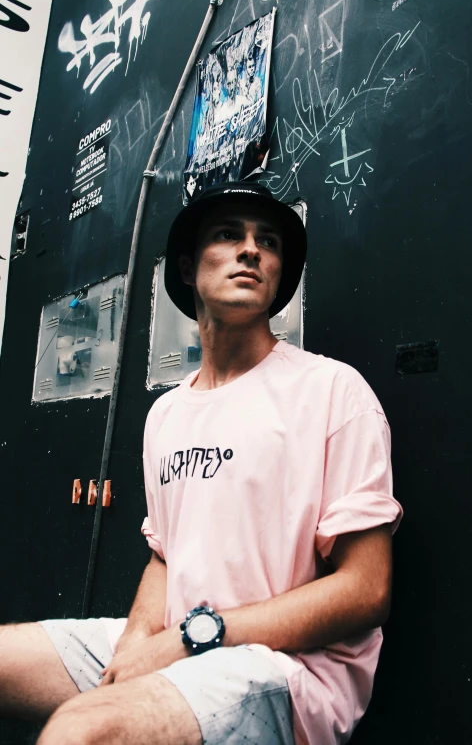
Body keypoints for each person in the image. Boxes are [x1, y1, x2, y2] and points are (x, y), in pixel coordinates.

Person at [0, 182, 402, 745]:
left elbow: (366, 589)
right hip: (179, 636)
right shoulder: (166, 413)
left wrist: (192, 637)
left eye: (268, 242)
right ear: (188, 269)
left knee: (83, 730)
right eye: (227, 234)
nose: (251, 250)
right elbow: (164, 557)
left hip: (286, 668)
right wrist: (139, 640)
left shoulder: (333, 390)